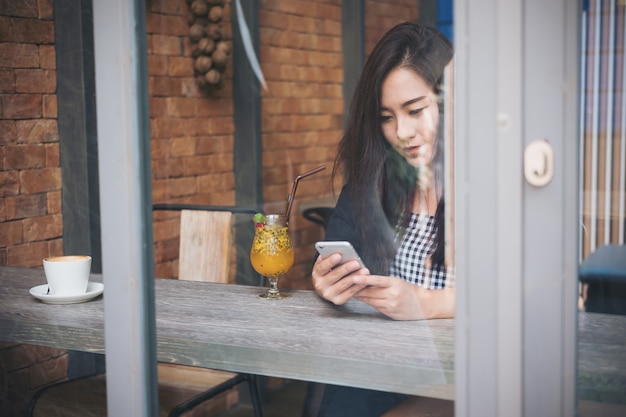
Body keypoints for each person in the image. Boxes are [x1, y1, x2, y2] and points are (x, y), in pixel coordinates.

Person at [309, 22, 455, 416]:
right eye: (386, 117)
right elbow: (335, 249)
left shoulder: (492, 186)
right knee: (346, 397)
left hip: (468, 375)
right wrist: (327, 279)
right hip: (388, 369)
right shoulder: (373, 180)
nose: (402, 132)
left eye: (416, 110)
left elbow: (526, 295)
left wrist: (425, 302)